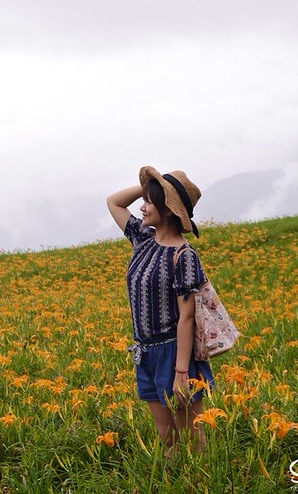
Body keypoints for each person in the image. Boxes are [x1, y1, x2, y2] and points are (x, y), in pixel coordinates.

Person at [106, 166, 214, 458]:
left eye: (150, 202)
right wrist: (153, 187)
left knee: (192, 439)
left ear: (167, 209)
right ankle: (173, 481)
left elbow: (187, 317)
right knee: (167, 438)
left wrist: (181, 371)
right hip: (144, 353)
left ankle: (200, 483)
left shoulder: (184, 255)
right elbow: (113, 202)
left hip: (173, 352)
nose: (142, 207)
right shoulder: (142, 238)